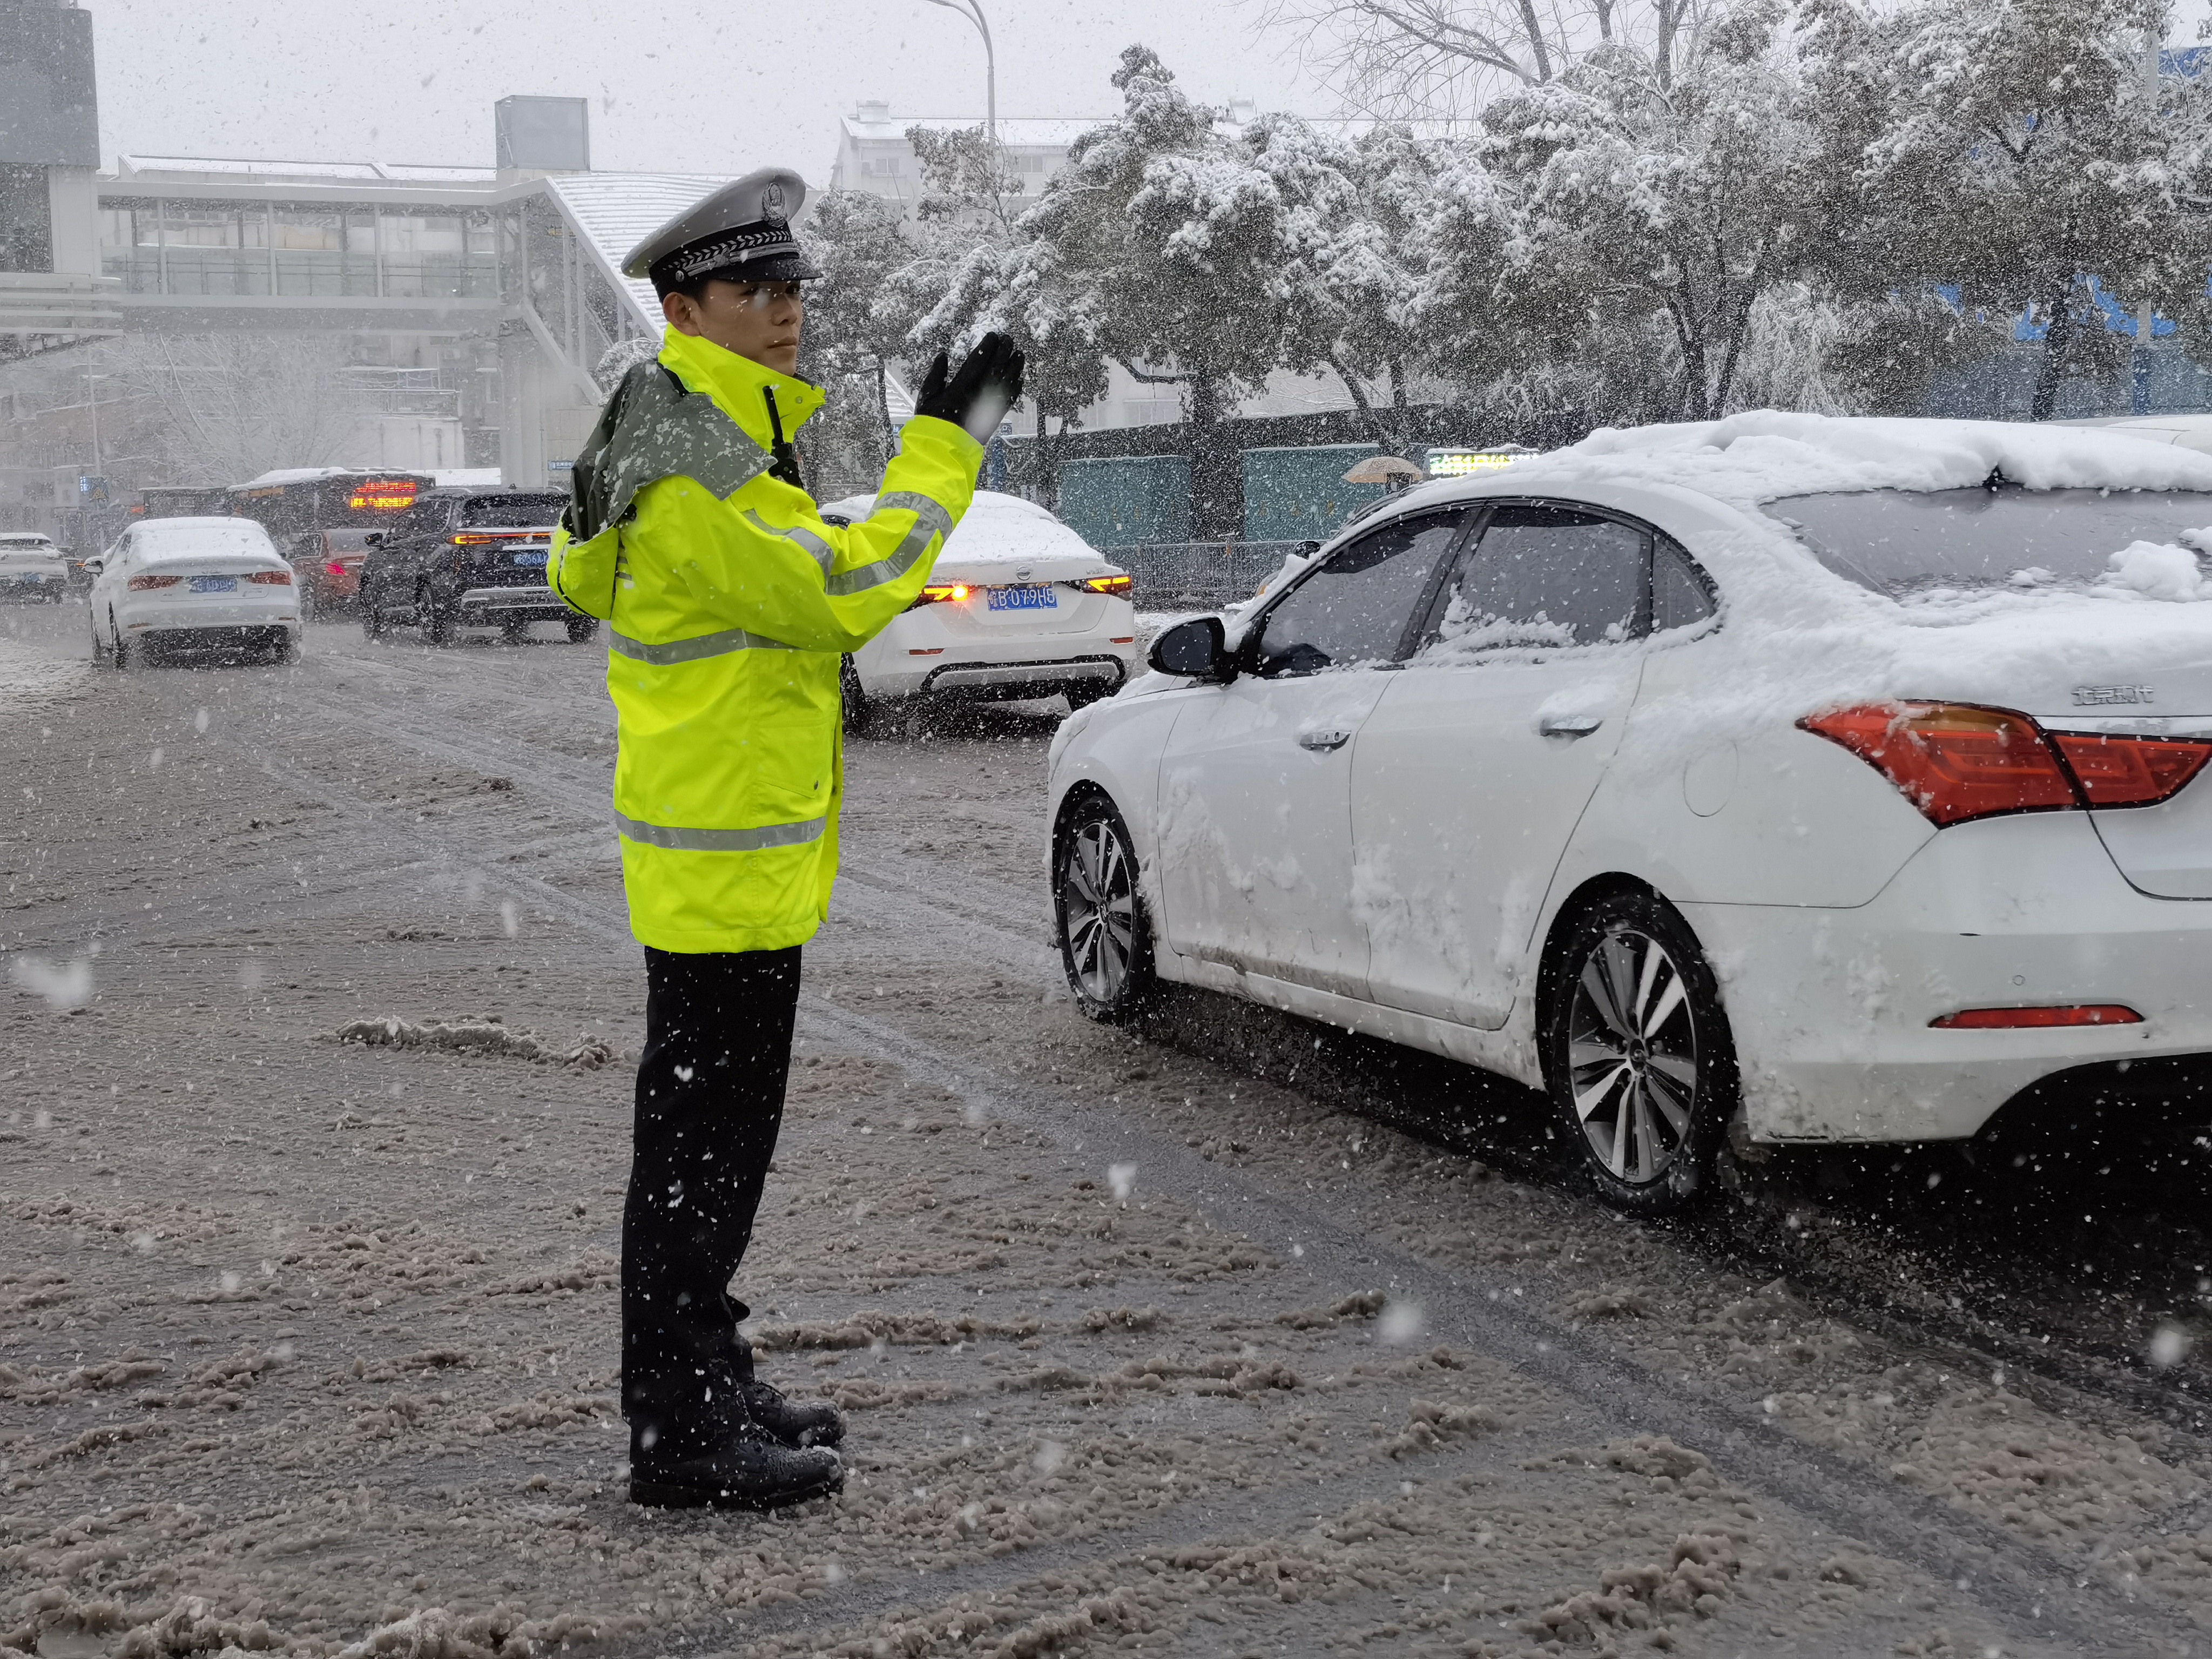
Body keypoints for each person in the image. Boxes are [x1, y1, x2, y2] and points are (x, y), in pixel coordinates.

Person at [547, 168, 1024, 1512]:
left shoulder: (685, 433)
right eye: (754, 290)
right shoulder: (698, 466)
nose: (784, 311)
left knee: (705, 1148)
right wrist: (945, 440)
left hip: (722, 849)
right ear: (682, 304)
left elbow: (575, 566)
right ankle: (681, 1432)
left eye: (793, 287)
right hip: (724, 862)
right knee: (701, 1157)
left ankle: (703, 1371)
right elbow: (849, 594)